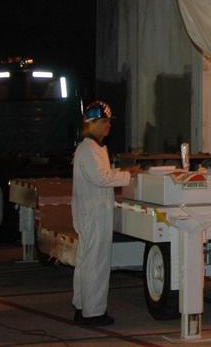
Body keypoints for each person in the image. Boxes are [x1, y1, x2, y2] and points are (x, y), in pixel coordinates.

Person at [71, 101, 132, 326]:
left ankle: (82, 307)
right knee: (96, 264)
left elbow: (101, 174)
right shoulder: (89, 149)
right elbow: (101, 177)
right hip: (93, 216)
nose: (108, 126)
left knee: (86, 263)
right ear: (93, 123)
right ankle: (93, 313)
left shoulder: (93, 148)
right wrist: (127, 175)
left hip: (92, 214)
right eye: (104, 122)